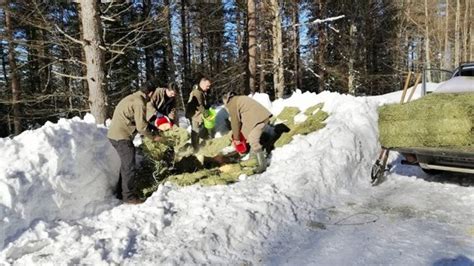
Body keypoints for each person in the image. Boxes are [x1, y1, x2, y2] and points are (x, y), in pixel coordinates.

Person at [107, 79, 161, 204]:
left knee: (127, 165)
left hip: (115, 134)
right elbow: (141, 127)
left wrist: (152, 127)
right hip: (120, 136)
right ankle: (128, 196)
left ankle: (121, 192)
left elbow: (138, 121)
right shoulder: (139, 102)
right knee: (129, 167)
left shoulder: (133, 97)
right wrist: (154, 137)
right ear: (151, 93)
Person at [222, 92, 272, 173]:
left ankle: (262, 165)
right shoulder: (238, 99)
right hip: (259, 117)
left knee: (253, 140)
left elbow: (235, 122)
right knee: (250, 136)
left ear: (226, 101)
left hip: (258, 119)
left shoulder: (232, 103)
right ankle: (253, 158)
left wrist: (236, 138)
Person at [185, 76, 212, 152]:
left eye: (209, 86)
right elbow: (200, 106)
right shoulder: (197, 92)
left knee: (202, 129)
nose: (208, 87)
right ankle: (195, 148)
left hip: (199, 114)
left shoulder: (202, 91)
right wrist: (207, 115)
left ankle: (204, 144)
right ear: (202, 83)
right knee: (195, 131)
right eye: (207, 86)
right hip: (194, 115)